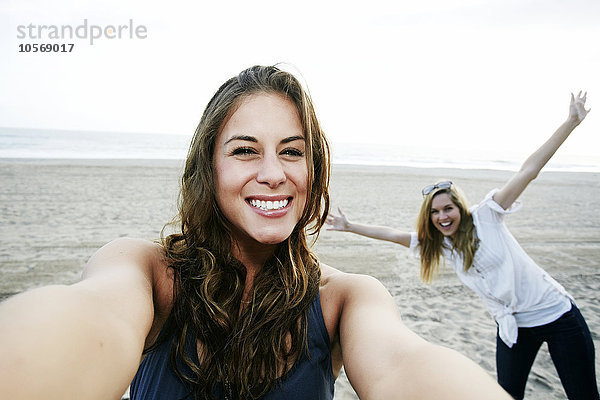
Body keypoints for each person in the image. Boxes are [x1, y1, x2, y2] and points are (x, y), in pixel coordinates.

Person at [0, 65, 511, 400]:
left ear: (314, 168)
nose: (273, 173)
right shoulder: (146, 271)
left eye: (292, 151)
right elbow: (88, 319)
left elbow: (404, 366)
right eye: (245, 150)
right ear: (210, 168)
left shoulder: (346, 299)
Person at [326, 92, 598, 400]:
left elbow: (528, 171)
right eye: (435, 211)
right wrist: (350, 227)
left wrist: (571, 122)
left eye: (447, 209)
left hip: (557, 315)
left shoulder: (487, 216)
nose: (442, 216)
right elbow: (393, 234)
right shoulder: (440, 245)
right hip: (512, 328)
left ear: (460, 208)